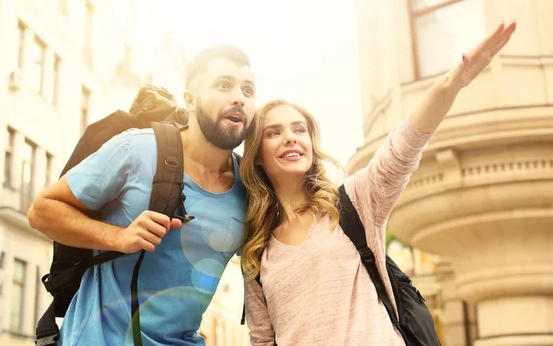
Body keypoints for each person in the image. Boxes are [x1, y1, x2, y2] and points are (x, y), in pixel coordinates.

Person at [239, 21, 517, 345]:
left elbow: (403, 147)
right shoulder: (257, 255)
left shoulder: (353, 204)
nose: (290, 138)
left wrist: (452, 84)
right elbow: (262, 340)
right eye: (274, 132)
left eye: (299, 130)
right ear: (257, 155)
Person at [28, 44, 256, 346]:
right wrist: (118, 237)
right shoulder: (137, 149)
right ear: (190, 99)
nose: (239, 97)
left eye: (248, 90)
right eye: (223, 85)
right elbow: (42, 211)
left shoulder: (250, 189)